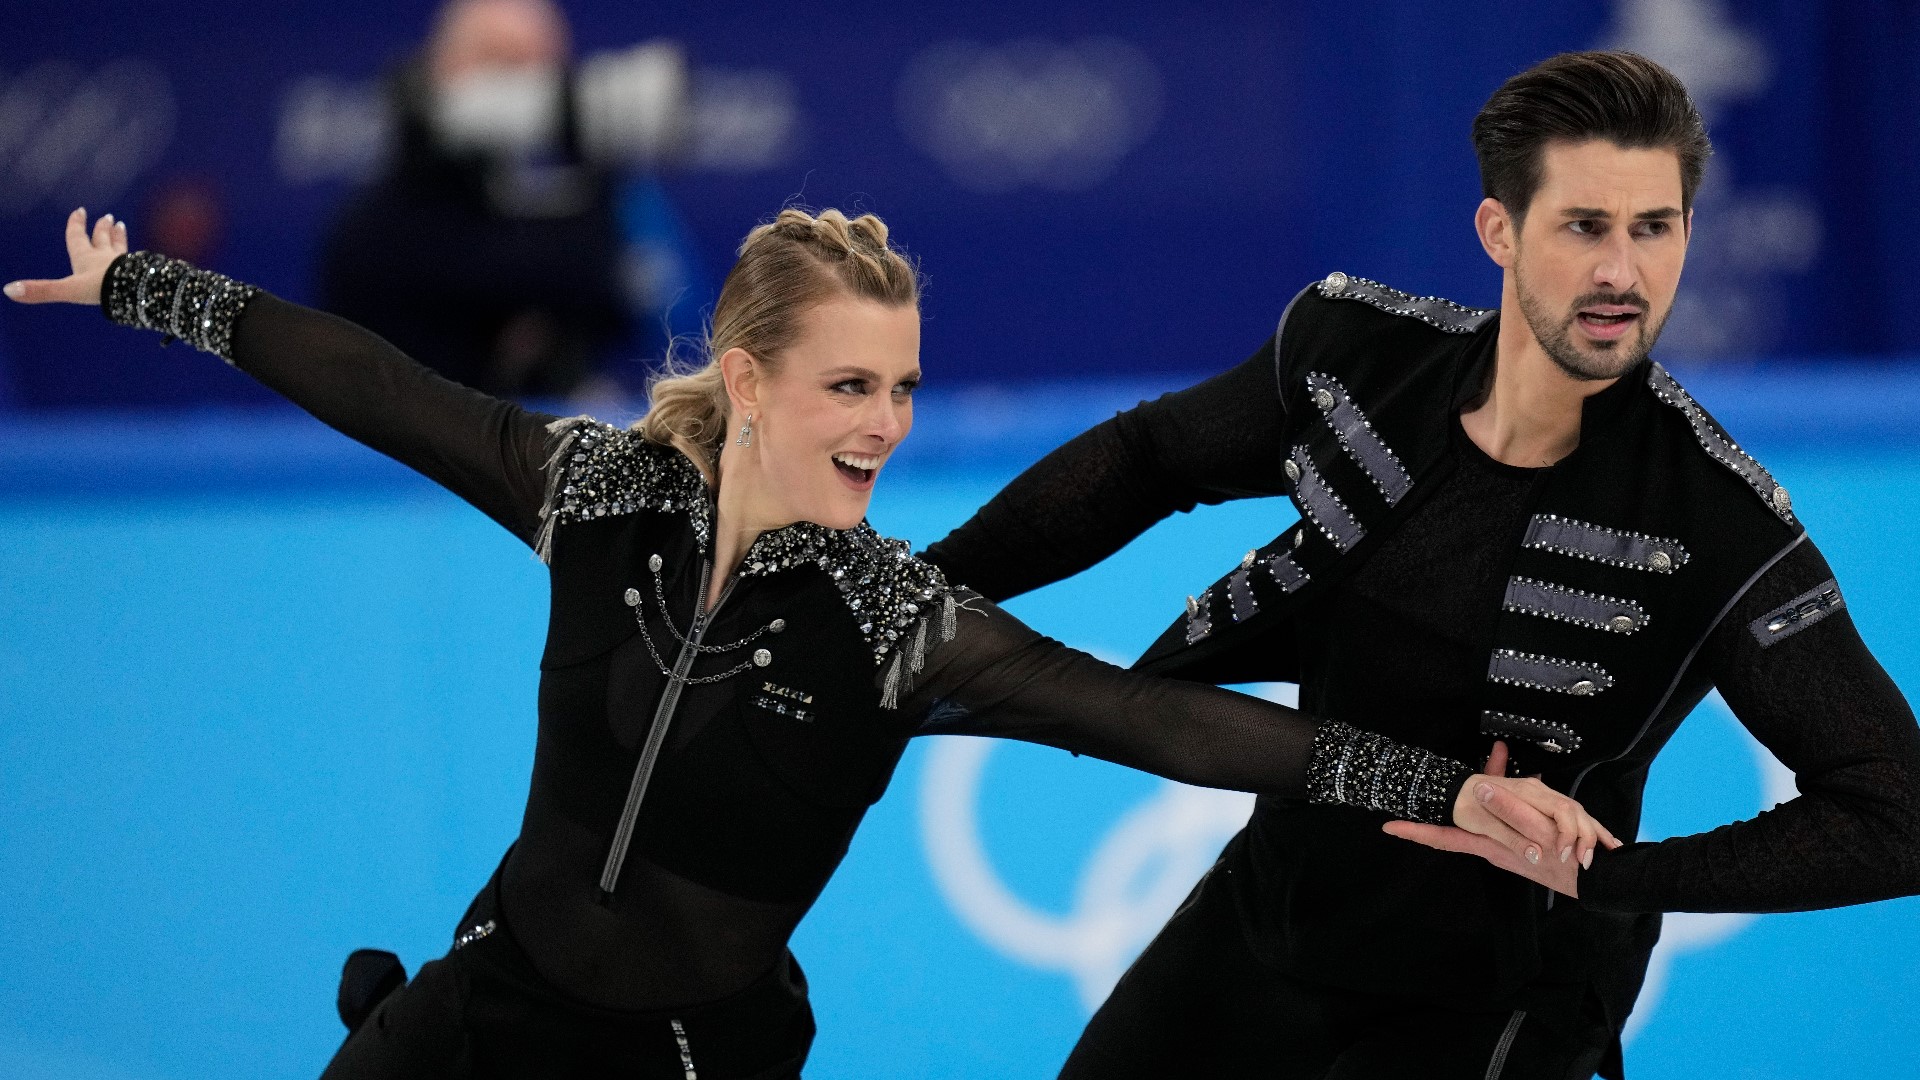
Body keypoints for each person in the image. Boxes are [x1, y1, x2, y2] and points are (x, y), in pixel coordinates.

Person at [4, 207, 1609, 1079]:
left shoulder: (899, 625)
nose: (889, 425)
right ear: (752, 379)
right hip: (488, 1005)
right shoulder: (603, 493)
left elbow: (1163, 727)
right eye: (855, 387)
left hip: (691, 1063)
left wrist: (1444, 791)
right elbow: (385, 393)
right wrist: (145, 287)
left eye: (904, 389)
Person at [922, 51, 1920, 1079]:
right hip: (1277, 912)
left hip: (1503, 994)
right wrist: (921, 587)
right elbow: (1146, 458)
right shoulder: (1355, 356)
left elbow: (1897, 814)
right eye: (1585, 226)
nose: (1621, 273)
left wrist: (1613, 878)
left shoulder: (1721, 522)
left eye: (1652, 229)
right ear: (1500, 231)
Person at [319, 0, 689, 398]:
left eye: (541, 66)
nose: (524, 85)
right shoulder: (382, 219)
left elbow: (633, 297)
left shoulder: (603, 195)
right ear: (441, 68)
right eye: (500, 62)